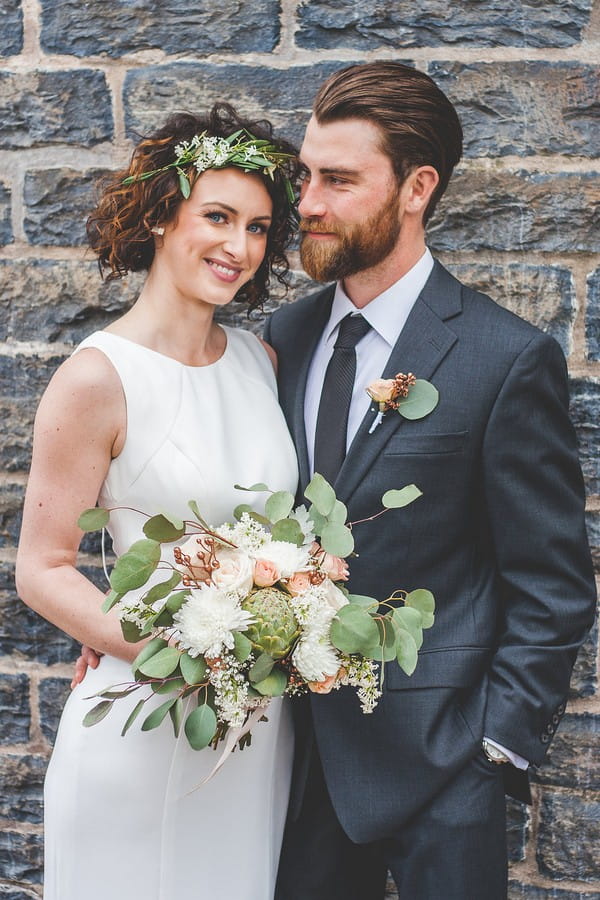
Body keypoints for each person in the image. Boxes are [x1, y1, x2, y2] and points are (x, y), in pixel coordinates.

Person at [263, 62, 597, 899]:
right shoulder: (283, 338)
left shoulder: (504, 357)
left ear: (417, 188)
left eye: (338, 180)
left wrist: (495, 749)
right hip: (290, 765)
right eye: (307, 175)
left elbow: (552, 583)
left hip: (445, 767)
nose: (306, 203)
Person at [15, 103, 300, 900]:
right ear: (161, 216)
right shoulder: (97, 377)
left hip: (251, 731)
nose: (238, 247)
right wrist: (166, 651)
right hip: (147, 715)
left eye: (257, 227)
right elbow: (44, 569)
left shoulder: (260, 361)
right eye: (217, 216)